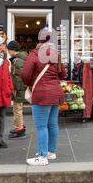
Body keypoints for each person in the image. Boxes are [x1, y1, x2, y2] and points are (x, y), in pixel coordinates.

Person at [21, 28, 67, 166]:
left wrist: (30, 85)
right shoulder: (56, 55)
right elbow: (63, 74)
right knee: (52, 124)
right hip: (56, 92)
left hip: (41, 94)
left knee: (41, 126)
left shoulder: (34, 55)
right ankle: (50, 152)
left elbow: (25, 74)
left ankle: (42, 156)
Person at [7, 40, 28, 140]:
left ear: (12, 50)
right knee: (17, 108)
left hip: (19, 89)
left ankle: (19, 130)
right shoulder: (21, 58)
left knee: (17, 109)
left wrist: (15, 89)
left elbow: (17, 77)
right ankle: (17, 127)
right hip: (20, 88)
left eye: (9, 50)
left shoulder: (17, 61)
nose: (8, 52)